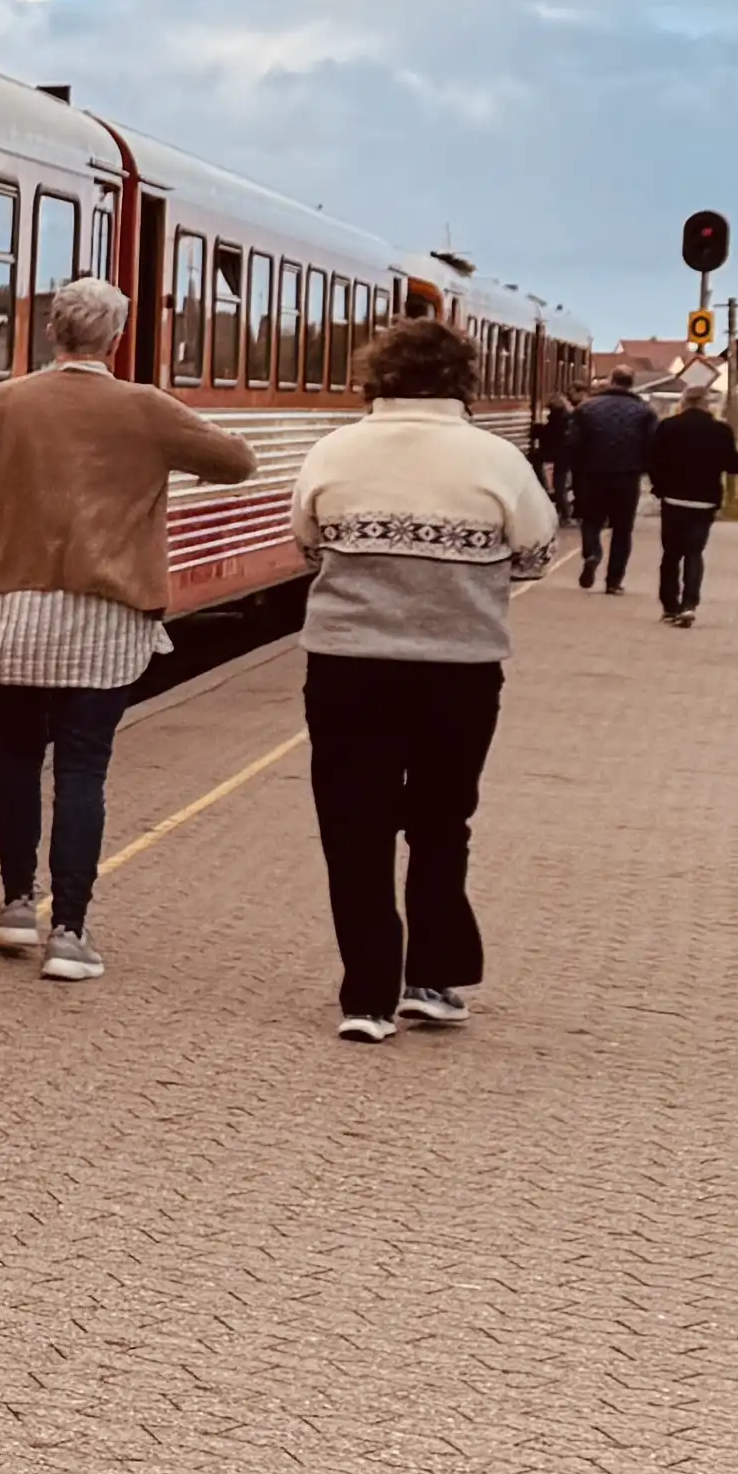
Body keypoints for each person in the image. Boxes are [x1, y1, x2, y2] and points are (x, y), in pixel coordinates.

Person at [0, 273, 257, 986]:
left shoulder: (3, 403)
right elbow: (237, 463)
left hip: (14, 613)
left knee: (15, 759)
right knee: (82, 771)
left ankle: (16, 906)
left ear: (53, 333)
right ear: (116, 338)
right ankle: (70, 933)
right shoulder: (145, 407)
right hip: (106, 619)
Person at [290, 316, 560, 1043]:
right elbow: (537, 551)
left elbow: (307, 542)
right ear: (461, 380)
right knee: (443, 824)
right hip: (459, 670)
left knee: (354, 828)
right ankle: (432, 982)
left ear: (378, 378)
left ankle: (367, 999)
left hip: (347, 665)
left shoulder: (334, 450)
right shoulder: (497, 459)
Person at [641, 384, 738, 623]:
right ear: (707, 404)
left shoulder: (668, 427)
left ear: (683, 403)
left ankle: (669, 606)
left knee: (671, 554)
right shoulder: (721, 430)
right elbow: (735, 465)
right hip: (704, 502)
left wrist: (659, 487)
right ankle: (689, 604)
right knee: (694, 552)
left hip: (673, 500)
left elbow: (652, 461)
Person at [561, 362, 653, 593]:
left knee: (591, 521)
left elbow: (572, 444)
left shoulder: (587, 408)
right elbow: (653, 445)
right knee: (622, 529)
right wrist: (646, 470)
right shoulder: (645, 411)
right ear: (631, 384)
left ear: (611, 380)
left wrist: (577, 471)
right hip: (627, 477)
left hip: (592, 475)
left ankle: (592, 553)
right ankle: (614, 581)